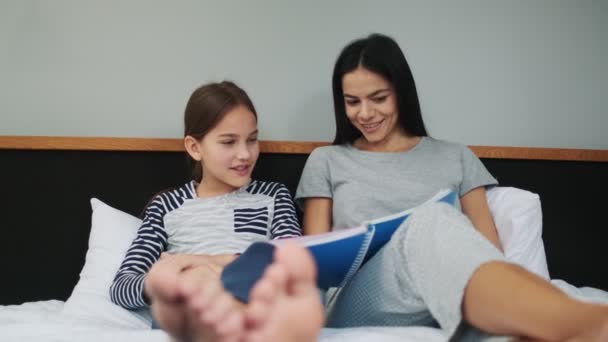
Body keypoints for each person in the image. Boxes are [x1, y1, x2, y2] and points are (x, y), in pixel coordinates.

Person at [295, 33, 608, 341]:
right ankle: (575, 322)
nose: (364, 114)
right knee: (430, 220)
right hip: (359, 302)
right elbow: (316, 264)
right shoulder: (327, 160)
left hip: (443, 293)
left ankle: (544, 327)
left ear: (401, 93)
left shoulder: (456, 156)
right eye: (353, 102)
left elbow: (488, 251)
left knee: (450, 235)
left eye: (378, 98)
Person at [109, 81, 323, 341]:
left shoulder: (273, 196)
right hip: (193, 303)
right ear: (194, 147)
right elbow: (121, 287)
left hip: (251, 294)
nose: (245, 154)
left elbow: (291, 263)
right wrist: (171, 280)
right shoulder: (166, 206)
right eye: (229, 142)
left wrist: (200, 262)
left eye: (252, 140)